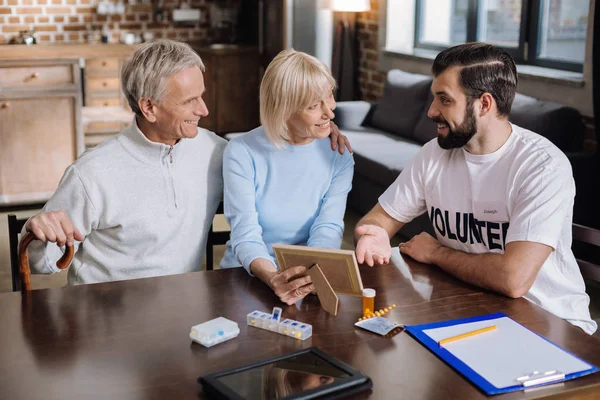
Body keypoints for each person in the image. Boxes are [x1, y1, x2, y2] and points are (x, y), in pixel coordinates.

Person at [22, 40, 351, 285]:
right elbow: (39, 262)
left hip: (184, 307)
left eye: (202, 95)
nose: (205, 110)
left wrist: (318, 129)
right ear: (149, 107)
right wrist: (36, 232)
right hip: (105, 318)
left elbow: (272, 150)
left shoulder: (215, 151)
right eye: (190, 101)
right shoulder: (91, 174)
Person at [354, 42, 596, 334]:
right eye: (434, 98)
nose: (431, 111)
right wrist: (374, 233)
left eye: (444, 100)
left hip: (547, 323)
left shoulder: (542, 166)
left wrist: (436, 253)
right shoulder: (434, 154)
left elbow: (513, 279)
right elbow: (380, 218)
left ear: (484, 104)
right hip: (469, 307)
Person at [220, 49, 354, 305]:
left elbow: (328, 225)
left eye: (329, 96)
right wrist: (273, 276)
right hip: (246, 277)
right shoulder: (241, 152)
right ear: (283, 109)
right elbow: (245, 235)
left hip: (307, 278)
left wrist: (315, 272)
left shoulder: (339, 154)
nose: (330, 112)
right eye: (314, 105)